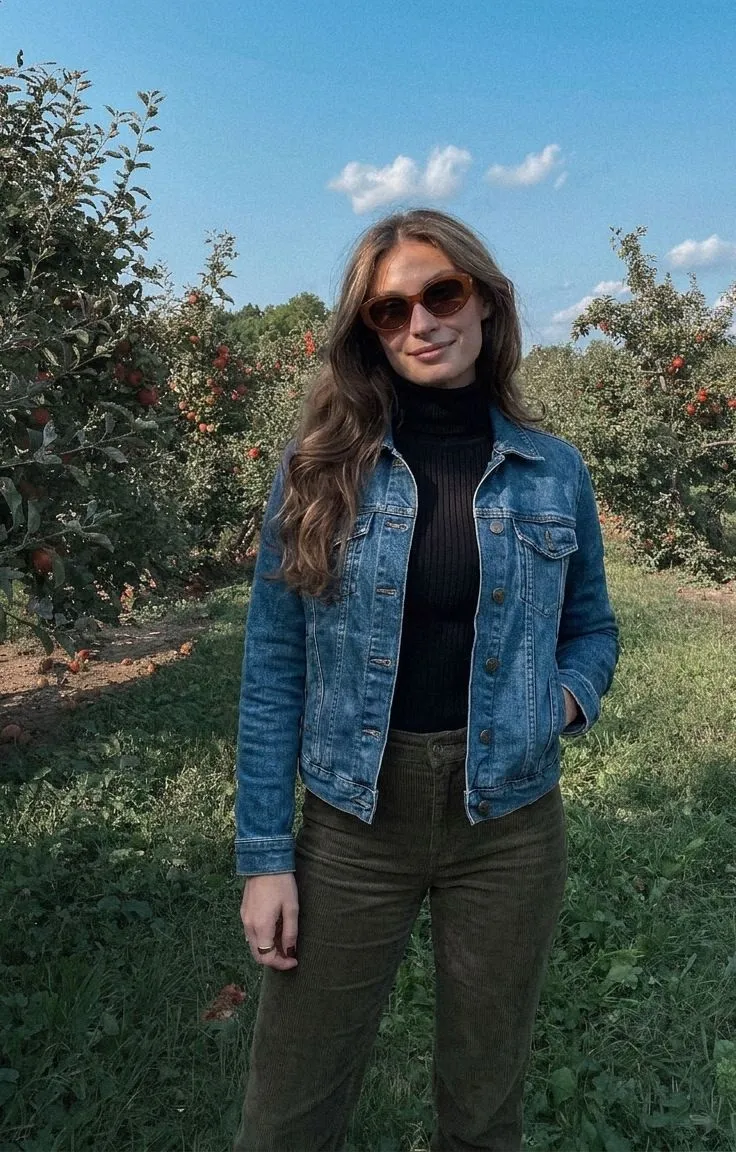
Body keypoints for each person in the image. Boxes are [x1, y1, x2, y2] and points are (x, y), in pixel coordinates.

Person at [233, 208, 620, 1152]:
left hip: (511, 825)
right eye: (389, 309)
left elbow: (593, 626)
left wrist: (561, 701)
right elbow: (275, 663)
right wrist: (264, 856)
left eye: (441, 294)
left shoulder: (552, 471)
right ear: (367, 332)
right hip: (354, 822)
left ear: (484, 302)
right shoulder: (321, 469)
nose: (421, 322)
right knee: (289, 1111)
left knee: (485, 1111)